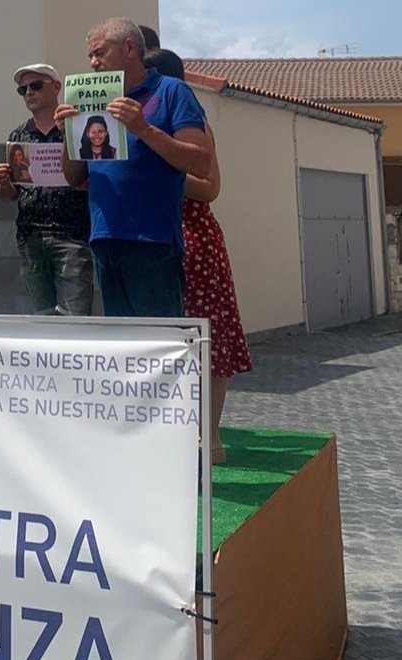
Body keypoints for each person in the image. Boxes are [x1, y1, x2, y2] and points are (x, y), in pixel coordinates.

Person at [57, 18, 211, 318]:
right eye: (90, 55)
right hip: (104, 238)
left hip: (151, 242)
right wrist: (68, 134)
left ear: (128, 47)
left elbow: (201, 163)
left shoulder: (171, 91)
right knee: (124, 350)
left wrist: (143, 128)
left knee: (160, 347)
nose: (92, 62)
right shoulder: (94, 98)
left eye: (100, 53)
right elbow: (74, 178)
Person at [146, 48, 253, 463]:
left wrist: (162, 166)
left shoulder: (192, 124)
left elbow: (209, 188)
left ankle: (209, 438)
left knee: (210, 338)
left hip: (195, 238)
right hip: (156, 236)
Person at [0, 64, 94, 316]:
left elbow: (89, 178)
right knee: (42, 321)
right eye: (22, 89)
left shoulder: (76, 129)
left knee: (75, 319)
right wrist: (3, 182)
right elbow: (11, 195)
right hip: (31, 238)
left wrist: (70, 136)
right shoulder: (18, 135)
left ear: (56, 87)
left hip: (71, 236)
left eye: (36, 85)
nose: (29, 92)